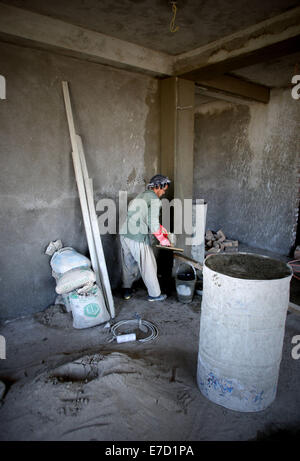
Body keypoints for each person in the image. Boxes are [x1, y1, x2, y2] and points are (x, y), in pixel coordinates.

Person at [120, 174, 171, 301]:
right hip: (137, 236)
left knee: (128, 263)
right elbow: (151, 221)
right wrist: (162, 239)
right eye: (163, 189)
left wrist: (159, 227)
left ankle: (127, 290)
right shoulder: (154, 199)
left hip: (125, 233)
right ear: (158, 186)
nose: (164, 193)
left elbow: (143, 216)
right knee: (148, 265)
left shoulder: (142, 195)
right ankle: (154, 294)